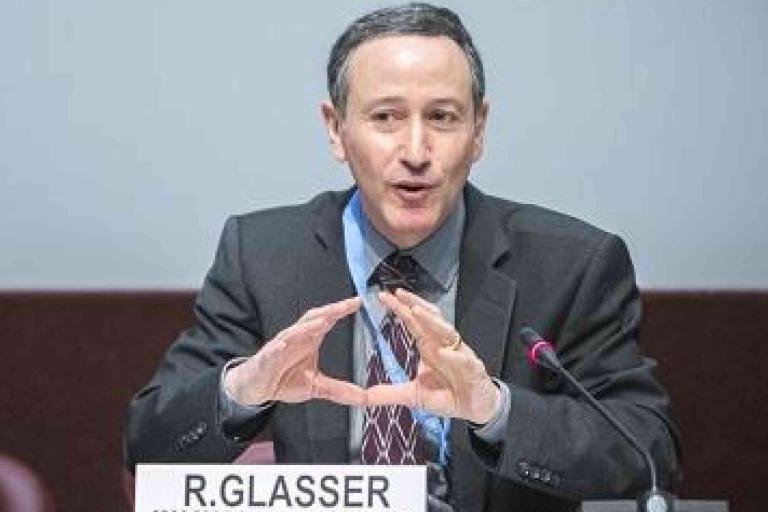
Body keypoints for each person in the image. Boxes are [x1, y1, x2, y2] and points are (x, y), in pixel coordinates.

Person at [126, 3, 680, 510]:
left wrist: (494, 409)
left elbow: (648, 454)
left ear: (479, 130)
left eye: (442, 117)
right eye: (386, 117)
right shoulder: (264, 255)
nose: (416, 152)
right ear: (336, 129)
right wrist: (243, 391)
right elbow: (147, 445)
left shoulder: (572, 264)